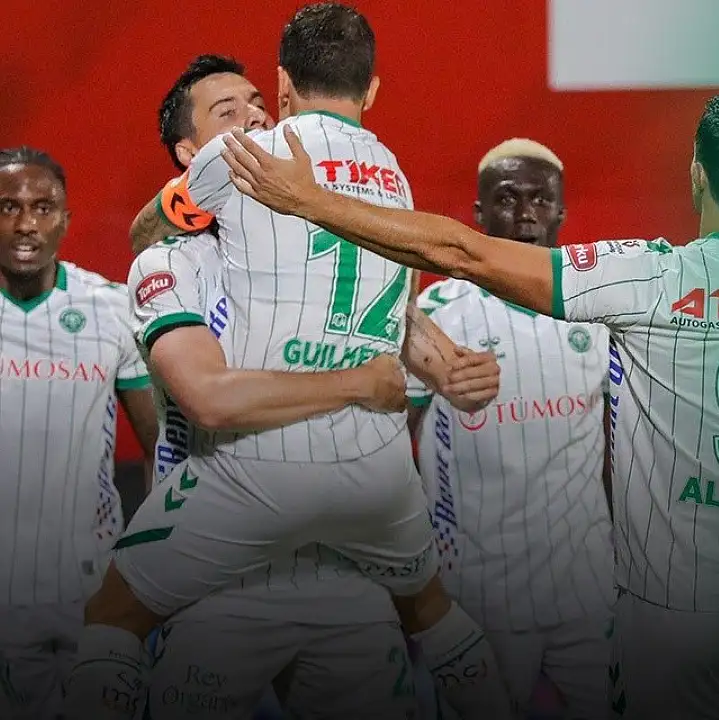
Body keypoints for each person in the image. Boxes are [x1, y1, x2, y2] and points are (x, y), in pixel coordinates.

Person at [219, 88, 719, 719]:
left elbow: (461, 251)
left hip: (664, 616)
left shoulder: (647, 276)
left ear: (697, 173)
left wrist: (309, 201)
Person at [62, 6, 514, 720]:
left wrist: (444, 364)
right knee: (430, 607)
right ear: (189, 153)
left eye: (254, 104)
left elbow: (380, 307)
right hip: (248, 572)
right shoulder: (382, 179)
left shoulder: (270, 188)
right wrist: (367, 380)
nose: (250, 119)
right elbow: (211, 383)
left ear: (280, 92)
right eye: (226, 113)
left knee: (115, 614)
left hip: (306, 540)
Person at [407, 139, 615, 719]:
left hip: (586, 589)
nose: (525, 215)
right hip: (476, 595)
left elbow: (620, 449)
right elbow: (396, 433)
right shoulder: (440, 311)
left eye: (540, 200)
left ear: (562, 212)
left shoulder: (599, 313)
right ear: (478, 213)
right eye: (506, 199)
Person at [0, 146, 160, 719]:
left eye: (43, 208)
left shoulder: (112, 309)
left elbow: (160, 446)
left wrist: (151, 565)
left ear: (66, 220)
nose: (26, 224)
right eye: (8, 207)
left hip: (91, 594)